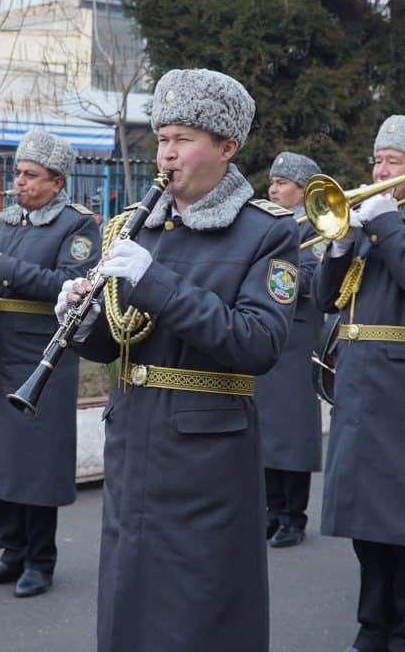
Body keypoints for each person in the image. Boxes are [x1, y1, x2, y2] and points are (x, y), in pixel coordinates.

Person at [57, 68, 297, 652]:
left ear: (226, 147)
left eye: (183, 139)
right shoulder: (141, 227)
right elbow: (117, 342)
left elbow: (258, 342)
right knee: (127, 601)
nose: (166, 154)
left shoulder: (264, 231)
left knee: (198, 610)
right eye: (162, 139)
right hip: (134, 439)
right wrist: (79, 317)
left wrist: (153, 282)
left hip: (206, 455)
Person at [314, 114, 405, 652]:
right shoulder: (373, 224)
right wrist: (338, 245)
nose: (378, 169)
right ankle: (371, 626)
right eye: (376, 159)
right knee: (364, 518)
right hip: (361, 385)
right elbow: (325, 300)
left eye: (391, 162)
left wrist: (384, 224)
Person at [0, 130, 101, 598]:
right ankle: (10, 553)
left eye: (31, 175)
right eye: (18, 173)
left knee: (38, 462)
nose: (18, 183)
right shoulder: (2, 221)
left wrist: (1, 265)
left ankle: (40, 561)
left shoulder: (77, 225)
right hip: (1, 348)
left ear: (57, 181)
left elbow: (69, 285)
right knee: (1, 457)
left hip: (45, 351)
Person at [257, 151, 325, 548]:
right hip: (269, 335)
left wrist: (266, 277)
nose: (273, 188)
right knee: (265, 431)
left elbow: (311, 279)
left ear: (302, 190)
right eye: (273, 181)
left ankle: (293, 518)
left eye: (282, 183)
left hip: (297, 339)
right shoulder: (270, 226)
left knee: (293, 433)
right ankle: (270, 511)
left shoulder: (316, 227)